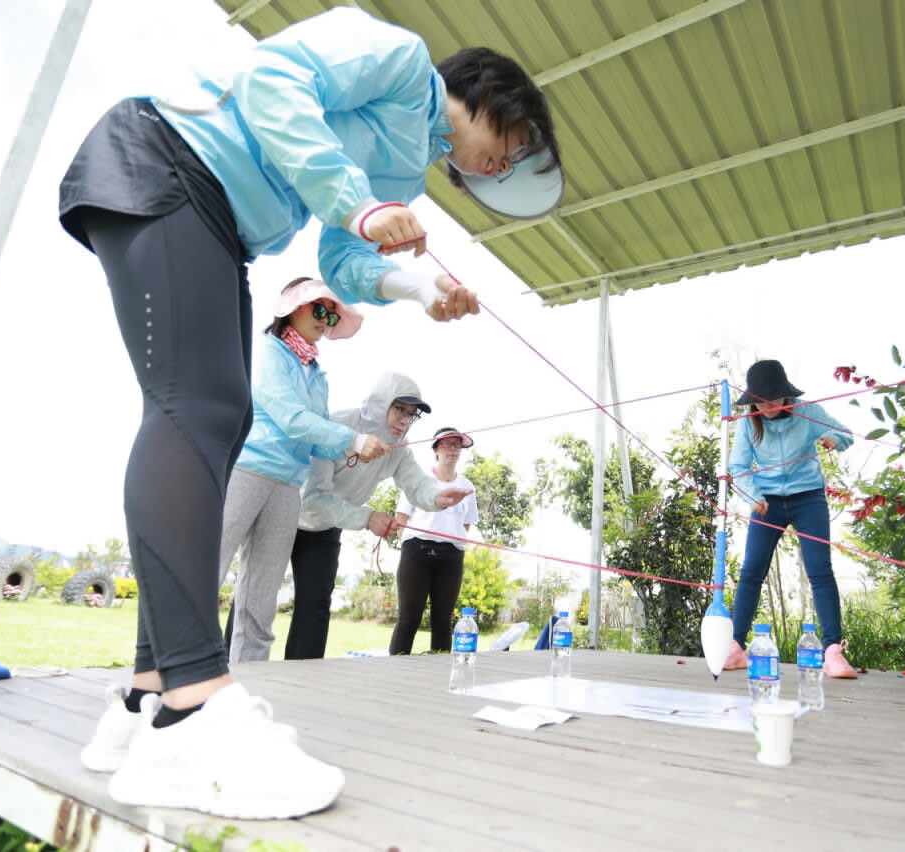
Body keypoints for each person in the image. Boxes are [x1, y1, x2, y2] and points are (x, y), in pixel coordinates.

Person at [58, 6, 559, 818]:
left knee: (214, 419)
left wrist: (420, 286)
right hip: (167, 158)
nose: (511, 162)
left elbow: (342, 257)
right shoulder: (401, 59)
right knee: (196, 409)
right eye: (521, 139)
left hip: (216, 219)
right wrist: (362, 211)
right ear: (493, 94)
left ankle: (145, 704)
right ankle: (192, 704)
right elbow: (270, 80)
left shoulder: (404, 167)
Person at [218, 278, 371, 664]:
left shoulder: (316, 374)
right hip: (246, 471)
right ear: (292, 308)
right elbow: (291, 418)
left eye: (332, 314)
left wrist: (350, 450)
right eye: (320, 310)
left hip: (288, 485)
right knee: (208, 569)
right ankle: (174, 669)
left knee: (262, 592)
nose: (327, 320)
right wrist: (351, 439)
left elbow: (315, 438)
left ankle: (248, 677)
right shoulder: (269, 353)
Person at [287, 373, 472, 660]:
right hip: (284, 516)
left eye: (411, 415)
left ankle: (302, 682)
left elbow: (417, 482)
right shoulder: (339, 426)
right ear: (379, 402)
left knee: (315, 607)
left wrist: (438, 496)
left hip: (325, 529)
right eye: (399, 409)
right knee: (256, 602)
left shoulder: (398, 447)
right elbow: (313, 499)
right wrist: (368, 517)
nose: (405, 420)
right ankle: (240, 673)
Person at [726, 359, 858, 677]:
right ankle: (735, 647)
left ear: (786, 395)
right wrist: (753, 496)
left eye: (773, 398)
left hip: (807, 498)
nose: (767, 406)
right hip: (766, 502)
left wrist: (833, 440)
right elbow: (739, 468)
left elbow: (845, 434)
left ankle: (833, 652)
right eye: (760, 400)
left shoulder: (807, 412)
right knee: (752, 570)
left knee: (819, 570)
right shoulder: (748, 422)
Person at [388, 427, 480, 655]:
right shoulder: (420, 480)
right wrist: (411, 548)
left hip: (451, 556)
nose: (452, 449)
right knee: (409, 617)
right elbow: (401, 519)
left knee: (443, 619)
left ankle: (440, 673)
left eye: (457, 444)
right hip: (416, 552)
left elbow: (465, 524)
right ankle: (395, 669)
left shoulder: (467, 486)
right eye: (447, 444)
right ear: (437, 448)